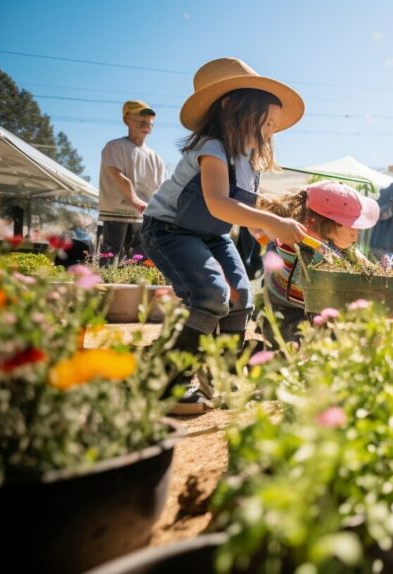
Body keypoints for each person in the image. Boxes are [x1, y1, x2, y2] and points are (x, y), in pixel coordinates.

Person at [141, 57, 307, 413]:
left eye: (274, 125)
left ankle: (221, 376)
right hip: (169, 230)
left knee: (241, 296)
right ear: (233, 108)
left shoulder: (249, 163)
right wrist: (274, 223)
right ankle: (168, 385)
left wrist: (268, 230)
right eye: (267, 121)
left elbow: (242, 211)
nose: (270, 130)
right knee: (212, 295)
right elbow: (218, 204)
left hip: (210, 235)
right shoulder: (212, 148)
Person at [258, 181, 379, 344]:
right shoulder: (299, 237)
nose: (355, 234)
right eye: (350, 225)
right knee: (293, 349)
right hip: (286, 308)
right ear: (327, 222)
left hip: (310, 306)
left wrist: (373, 271)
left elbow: (358, 258)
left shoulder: (329, 238)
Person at [98, 100, 167, 264]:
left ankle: (137, 288)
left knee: (140, 257)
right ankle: (105, 288)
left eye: (149, 117)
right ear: (127, 118)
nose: (147, 120)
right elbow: (116, 173)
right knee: (111, 254)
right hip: (116, 212)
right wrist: (135, 199)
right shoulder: (115, 146)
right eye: (141, 115)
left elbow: (161, 188)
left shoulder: (155, 157)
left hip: (144, 215)